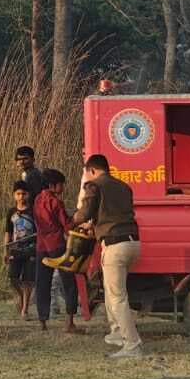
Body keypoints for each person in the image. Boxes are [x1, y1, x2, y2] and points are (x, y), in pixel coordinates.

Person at [75, 153, 142, 358]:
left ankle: (132, 345)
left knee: (118, 297)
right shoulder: (124, 187)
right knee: (111, 291)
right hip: (133, 243)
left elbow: (84, 214)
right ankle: (117, 332)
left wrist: (72, 220)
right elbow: (111, 214)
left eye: (88, 173)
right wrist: (94, 226)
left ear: (92, 170)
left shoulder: (94, 186)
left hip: (114, 245)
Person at [33, 169, 79, 332]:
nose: (62, 188)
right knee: (69, 282)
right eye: (61, 184)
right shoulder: (55, 202)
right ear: (52, 185)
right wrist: (76, 218)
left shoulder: (37, 199)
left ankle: (43, 321)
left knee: (42, 282)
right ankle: (70, 321)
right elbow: (67, 226)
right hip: (57, 245)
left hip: (41, 245)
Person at [5, 182, 38, 319]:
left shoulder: (33, 212)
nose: (21, 197)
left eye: (24, 194)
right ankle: (22, 296)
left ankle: (25, 309)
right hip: (15, 249)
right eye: (18, 194)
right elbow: (8, 232)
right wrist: (6, 250)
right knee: (13, 278)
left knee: (27, 280)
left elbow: (38, 231)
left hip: (31, 249)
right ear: (14, 195)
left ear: (28, 195)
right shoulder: (11, 212)